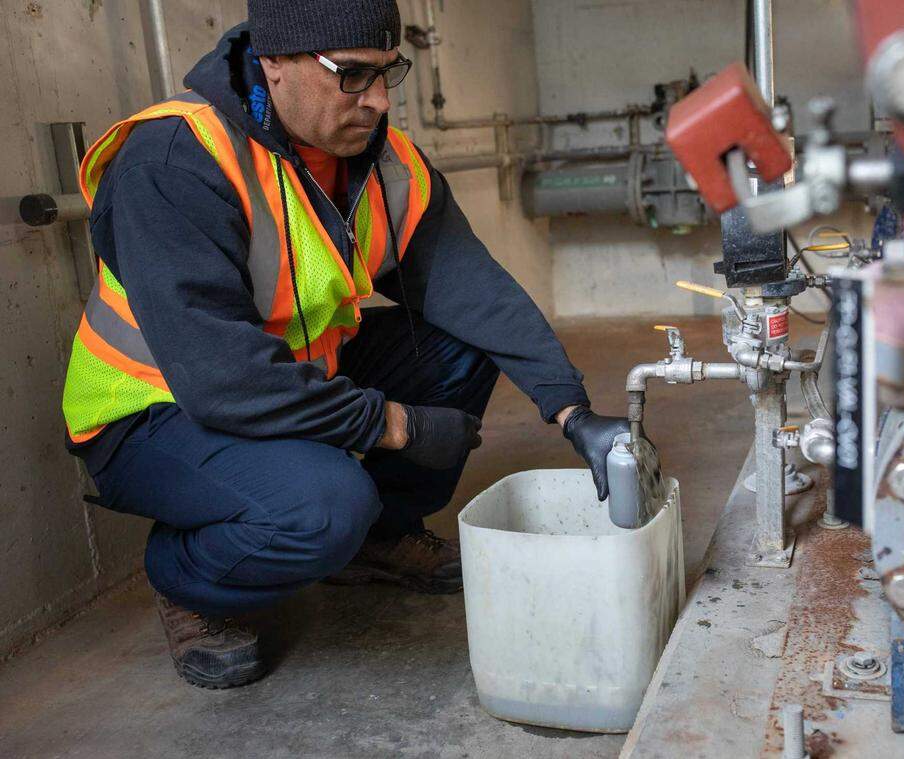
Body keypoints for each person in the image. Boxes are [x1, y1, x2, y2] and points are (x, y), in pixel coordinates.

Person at [61, 0, 628, 689]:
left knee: (463, 344)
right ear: (275, 63)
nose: (380, 100)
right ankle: (188, 578)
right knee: (326, 505)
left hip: (283, 377)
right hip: (153, 411)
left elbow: (477, 293)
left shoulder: (379, 162)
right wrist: (393, 424)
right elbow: (223, 382)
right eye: (353, 75)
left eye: (391, 73)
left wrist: (573, 411)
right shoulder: (177, 159)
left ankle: (379, 540)